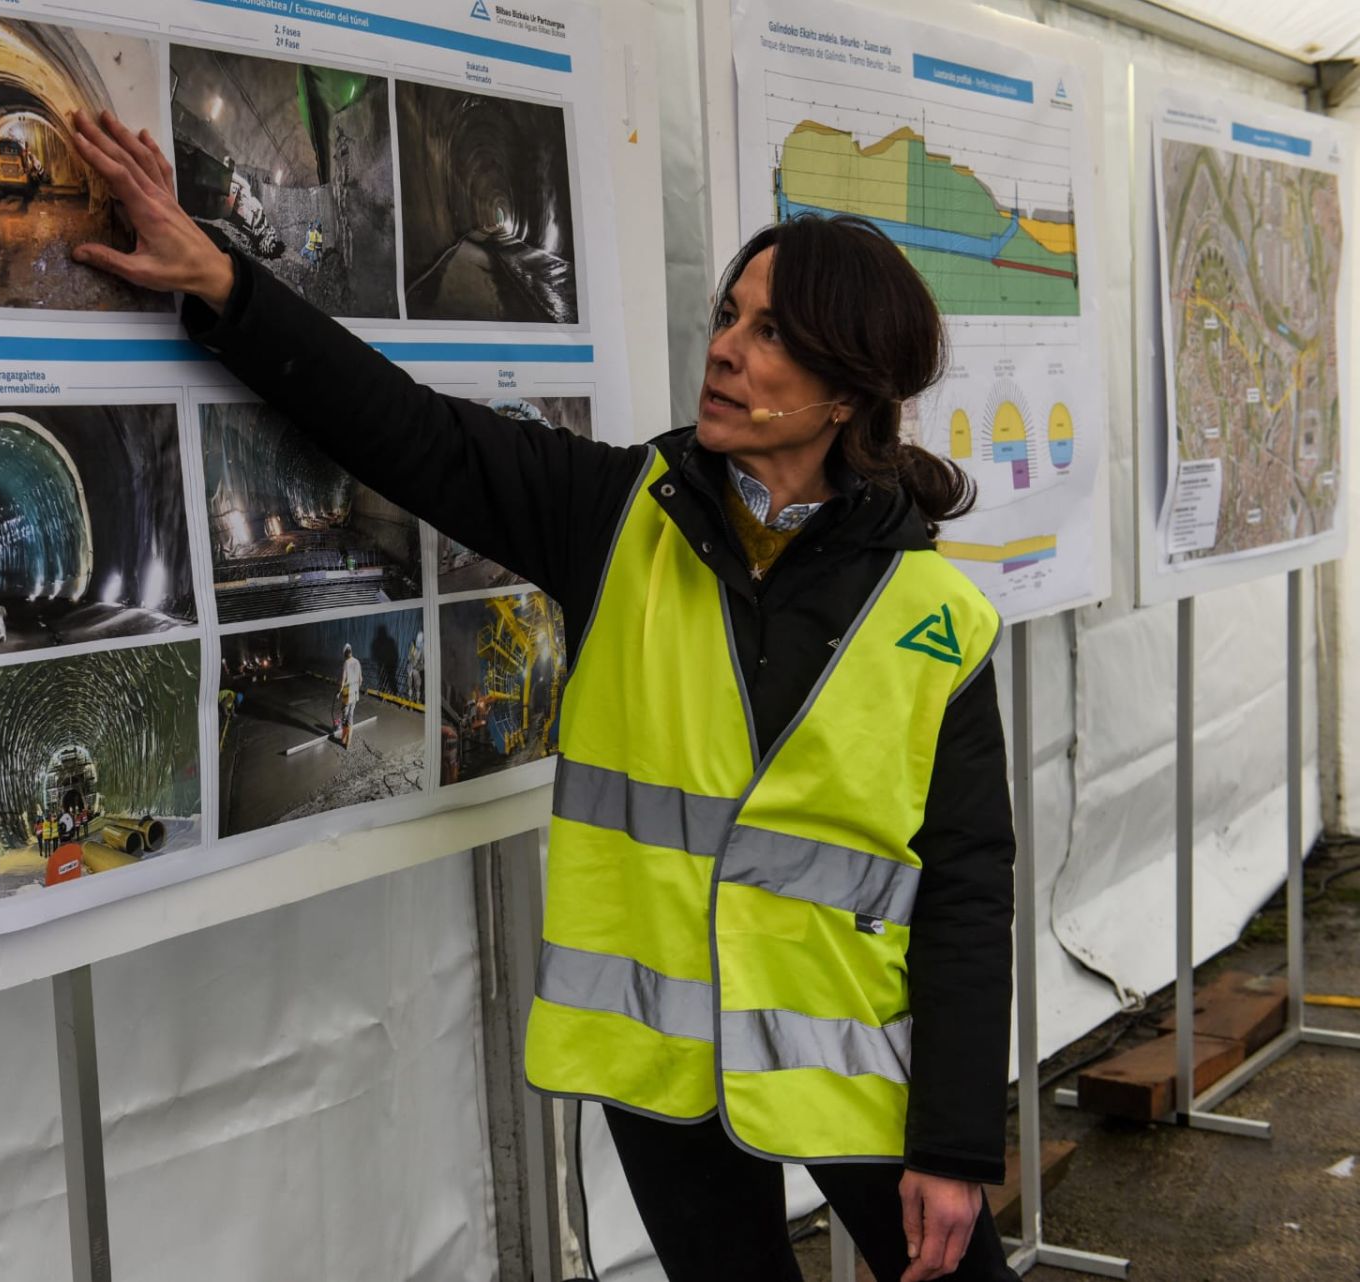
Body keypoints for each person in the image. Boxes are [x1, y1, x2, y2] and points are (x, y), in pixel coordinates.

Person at [66, 108, 1017, 1282]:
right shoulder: (624, 516)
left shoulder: (938, 616)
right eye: (727, 315)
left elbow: (969, 887)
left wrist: (959, 1137)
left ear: (845, 392)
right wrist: (222, 281)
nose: (724, 348)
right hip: (661, 1062)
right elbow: (413, 434)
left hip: (860, 1054)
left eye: (772, 334)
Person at [338, 643, 363, 749]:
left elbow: (343, 681)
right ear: (351, 651)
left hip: (347, 694)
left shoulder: (346, 663)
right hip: (355, 694)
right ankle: (348, 742)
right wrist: (356, 687)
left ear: (344, 653)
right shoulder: (357, 662)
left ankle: (343, 739)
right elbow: (361, 679)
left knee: (344, 718)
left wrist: (339, 692)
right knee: (351, 717)